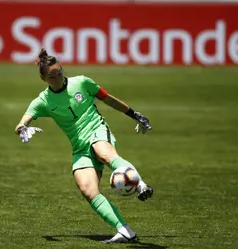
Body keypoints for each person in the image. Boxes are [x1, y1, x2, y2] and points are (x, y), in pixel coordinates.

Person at [14, 48, 153, 244]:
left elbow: (109, 99)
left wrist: (135, 115)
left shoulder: (82, 82)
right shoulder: (43, 101)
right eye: (52, 76)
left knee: (104, 153)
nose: (58, 78)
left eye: (59, 73)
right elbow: (22, 121)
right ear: (43, 78)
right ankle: (125, 231)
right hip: (79, 147)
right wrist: (22, 129)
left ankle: (141, 185)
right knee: (87, 189)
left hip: (97, 130)